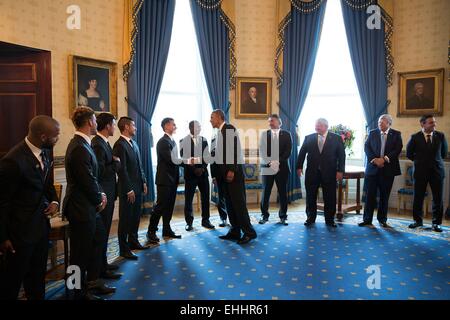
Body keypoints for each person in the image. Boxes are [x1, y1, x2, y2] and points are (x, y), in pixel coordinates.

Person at [0, 116, 60, 300]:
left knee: (36, 278)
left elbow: (46, 185)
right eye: (55, 136)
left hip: (41, 228)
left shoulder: (45, 152)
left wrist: (54, 202)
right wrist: (3, 237)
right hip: (20, 233)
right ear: (43, 136)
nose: (58, 138)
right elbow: (2, 202)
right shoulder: (13, 160)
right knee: (12, 282)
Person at [63, 107, 115, 300]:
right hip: (80, 209)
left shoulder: (83, 144)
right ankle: (75, 291)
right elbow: (86, 179)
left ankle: (92, 281)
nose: (96, 122)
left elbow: (91, 176)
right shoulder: (78, 146)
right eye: (94, 119)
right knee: (78, 254)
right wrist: (99, 198)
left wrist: (99, 194)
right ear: (89, 122)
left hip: (88, 206)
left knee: (98, 240)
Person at [210, 109, 257, 244]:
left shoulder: (229, 128)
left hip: (233, 175)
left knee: (239, 205)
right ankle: (235, 231)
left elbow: (235, 150)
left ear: (219, 117)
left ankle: (249, 232)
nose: (210, 120)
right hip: (221, 176)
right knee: (230, 205)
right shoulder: (216, 133)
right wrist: (214, 175)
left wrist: (231, 170)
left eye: (212, 117)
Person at [296, 118, 346, 228]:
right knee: (310, 196)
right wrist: (299, 167)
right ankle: (310, 218)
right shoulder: (309, 138)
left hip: (330, 173)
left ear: (325, 126)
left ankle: (329, 219)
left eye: (319, 125)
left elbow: (342, 156)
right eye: (316, 125)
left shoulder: (336, 138)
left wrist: (340, 171)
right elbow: (302, 153)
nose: (316, 127)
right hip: (312, 172)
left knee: (330, 197)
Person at [91, 113, 122, 280]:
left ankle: (103, 265)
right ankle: (99, 270)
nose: (115, 127)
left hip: (109, 192)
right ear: (108, 126)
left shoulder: (104, 143)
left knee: (104, 233)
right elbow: (100, 171)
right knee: (100, 235)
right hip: (103, 195)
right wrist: (116, 163)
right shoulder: (97, 144)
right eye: (114, 124)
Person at [113, 117, 148, 260]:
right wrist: (128, 189)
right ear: (126, 127)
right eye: (133, 125)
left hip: (138, 186)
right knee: (125, 219)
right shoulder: (119, 145)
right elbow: (122, 170)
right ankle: (123, 248)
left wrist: (144, 181)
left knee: (135, 217)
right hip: (128, 189)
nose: (136, 128)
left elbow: (139, 166)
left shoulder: (134, 143)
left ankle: (133, 241)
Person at [359, 114, 402, 228]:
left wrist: (384, 159)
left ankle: (382, 219)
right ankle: (367, 219)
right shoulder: (373, 133)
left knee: (384, 196)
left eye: (382, 122)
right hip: (373, 169)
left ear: (388, 123)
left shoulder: (396, 134)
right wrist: (374, 159)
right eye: (378, 122)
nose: (379, 124)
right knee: (370, 195)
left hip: (388, 170)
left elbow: (397, 149)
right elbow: (367, 147)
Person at [406, 115, 448, 232]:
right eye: (431, 123)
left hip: (437, 172)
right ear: (422, 124)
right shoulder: (414, 137)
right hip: (420, 172)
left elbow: (444, 153)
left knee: (438, 198)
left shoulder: (441, 136)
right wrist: (420, 162)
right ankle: (417, 221)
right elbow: (409, 154)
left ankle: (436, 223)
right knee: (418, 197)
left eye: (434, 122)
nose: (434, 124)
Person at [147, 118, 182, 242]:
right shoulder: (163, 141)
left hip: (173, 179)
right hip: (164, 180)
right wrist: (188, 161)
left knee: (169, 206)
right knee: (160, 206)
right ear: (167, 126)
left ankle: (166, 229)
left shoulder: (172, 141)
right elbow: (172, 159)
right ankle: (151, 231)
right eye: (173, 124)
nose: (175, 126)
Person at [179, 121, 215, 231]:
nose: (200, 128)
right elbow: (184, 158)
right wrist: (194, 169)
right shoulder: (182, 141)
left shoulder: (204, 140)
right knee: (188, 199)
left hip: (203, 174)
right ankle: (189, 223)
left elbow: (207, 156)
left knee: (205, 198)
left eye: (200, 126)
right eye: (198, 127)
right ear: (191, 127)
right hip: (190, 175)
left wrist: (202, 168)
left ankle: (206, 220)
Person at [259, 114, 292, 225]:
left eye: (272, 121)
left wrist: (277, 162)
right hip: (267, 167)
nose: (270, 123)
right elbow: (262, 151)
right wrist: (270, 163)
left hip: (282, 168)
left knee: (282, 192)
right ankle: (264, 215)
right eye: (269, 121)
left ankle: (283, 216)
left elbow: (288, 152)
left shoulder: (287, 135)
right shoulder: (264, 134)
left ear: (279, 122)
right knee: (266, 192)